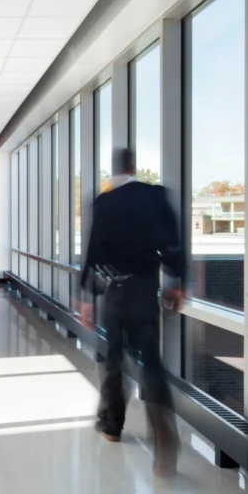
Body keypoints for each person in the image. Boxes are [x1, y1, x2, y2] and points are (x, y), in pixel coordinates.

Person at [79, 148, 184, 476]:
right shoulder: (156, 196)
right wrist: (176, 282)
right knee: (150, 358)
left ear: (115, 170)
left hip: (114, 289)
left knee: (113, 357)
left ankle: (111, 425)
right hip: (144, 288)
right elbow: (173, 244)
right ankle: (162, 430)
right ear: (134, 168)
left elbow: (94, 250)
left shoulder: (104, 202)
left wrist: (85, 295)